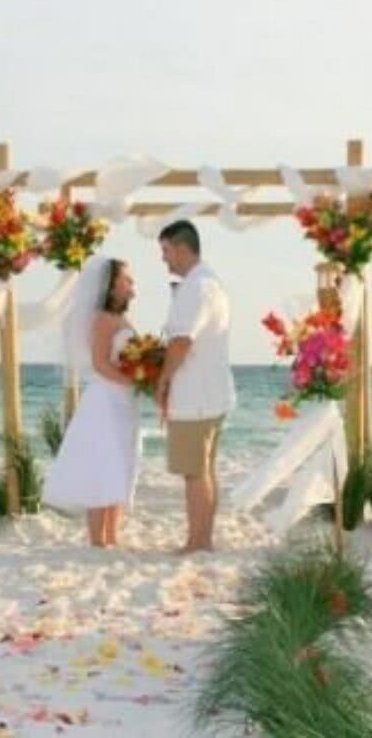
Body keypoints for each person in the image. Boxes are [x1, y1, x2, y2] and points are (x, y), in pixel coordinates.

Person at [41, 257, 139, 548]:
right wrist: (133, 381)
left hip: (124, 401)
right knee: (102, 465)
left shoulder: (123, 319)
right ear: (111, 286)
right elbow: (99, 363)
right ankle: (98, 540)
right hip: (105, 400)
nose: (132, 285)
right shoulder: (101, 319)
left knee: (121, 464)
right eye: (127, 279)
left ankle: (113, 535)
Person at [155, 220, 236, 554]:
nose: (164, 260)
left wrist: (163, 379)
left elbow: (182, 340)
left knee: (193, 472)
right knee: (204, 470)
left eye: (165, 251)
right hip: (212, 394)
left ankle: (197, 542)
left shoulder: (196, 287)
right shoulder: (211, 283)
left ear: (181, 248)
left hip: (196, 396)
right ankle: (203, 539)